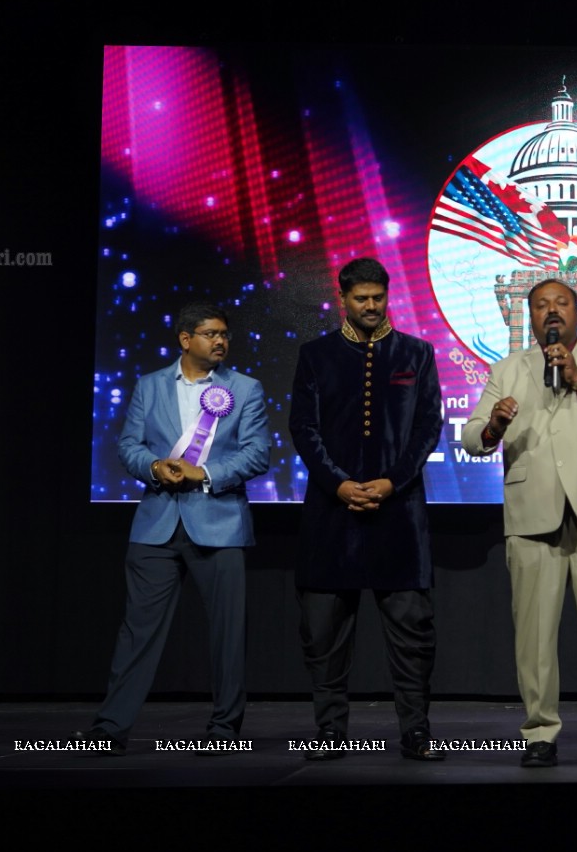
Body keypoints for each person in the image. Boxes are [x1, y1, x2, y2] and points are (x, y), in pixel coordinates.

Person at [461, 279, 577, 768]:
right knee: (534, 636)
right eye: (541, 304)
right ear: (529, 314)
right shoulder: (508, 369)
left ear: (576, 310)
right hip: (531, 514)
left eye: (560, 303)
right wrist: (495, 425)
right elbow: (470, 438)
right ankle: (539, 733)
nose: (551, 311)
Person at [72, 303, 269, 755]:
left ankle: (224, 730)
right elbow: (128, 446)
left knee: (226, 633)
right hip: (157, 523)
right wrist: (155, 466)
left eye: (225, 335)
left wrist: (207, 473)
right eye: (210, 334)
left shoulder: (245, 389)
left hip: (219, 523)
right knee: (137, 630)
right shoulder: (150, 385)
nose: (221, 341)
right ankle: (110, 729)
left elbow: (257, 453)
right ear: (185, 340)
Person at [289, 257, 445, 761]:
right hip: (332, 516)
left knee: (412, 635)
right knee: (324, 633)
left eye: (378, 297)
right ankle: (331, 733)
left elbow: (427, 429)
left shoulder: (417, 355)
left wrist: (391, 482)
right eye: (361, 299)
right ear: (343, 299)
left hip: (398, 515)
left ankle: (416, 733)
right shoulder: (316, 355)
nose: (371, 306)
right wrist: (338, 485)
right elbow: (304, 430)